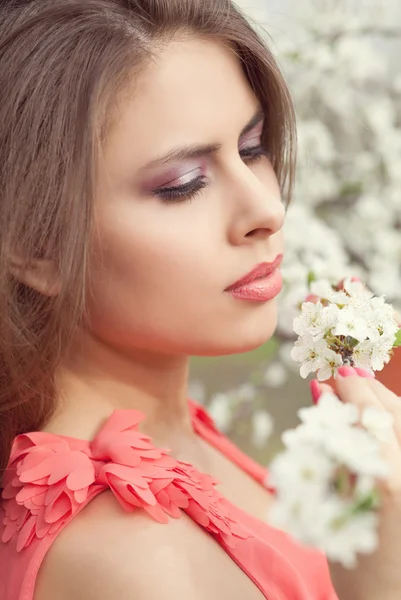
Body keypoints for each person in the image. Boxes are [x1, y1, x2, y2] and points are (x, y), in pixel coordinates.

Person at [1, 1, 401, 599]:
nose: (265, 211)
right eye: (182, 185)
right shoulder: (135, 563)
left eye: (252, 148)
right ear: (35, 248)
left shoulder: (165, 435)